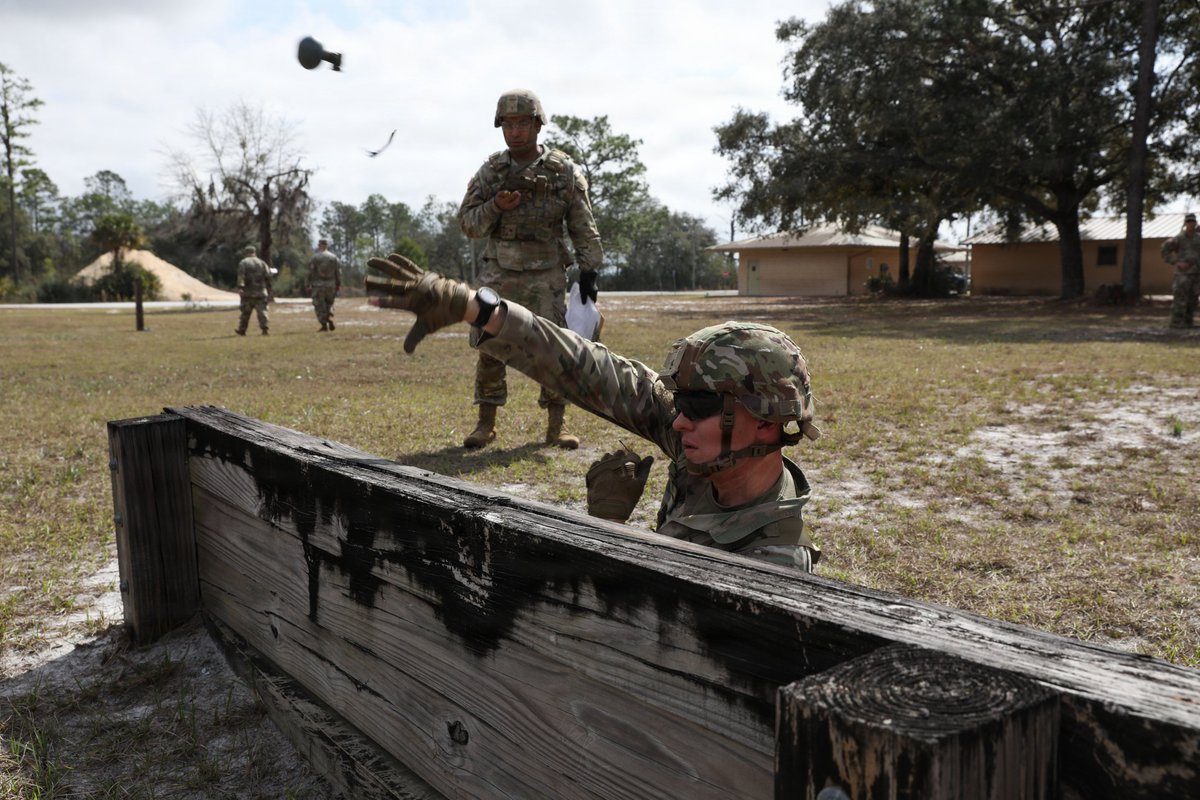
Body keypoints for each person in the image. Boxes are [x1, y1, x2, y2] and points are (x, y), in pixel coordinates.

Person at [365, 254, 822, 572]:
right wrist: (480, 309)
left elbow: (648, 630)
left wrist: (606, 532)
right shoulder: (716, 445)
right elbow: (598, 372)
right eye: (679, 404)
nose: (678, 422)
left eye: (699, 407)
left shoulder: (773, 562)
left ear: (765, 420)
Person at [457, 88, 603, 450]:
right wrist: (496, 206)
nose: (515, 131)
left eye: (522, 123)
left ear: (538, 125)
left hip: (547, 273)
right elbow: (470, 225)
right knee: (489, 344)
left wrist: (589, 271)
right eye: (508, 124)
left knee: (554, 348)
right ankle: (485, 423)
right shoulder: (491, 173)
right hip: (499, 270)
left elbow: (583, 224)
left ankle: (557, 425)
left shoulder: (563, 171)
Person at [1163, 212, 1200, 329]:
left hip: (1196, 273)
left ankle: (1188, 322)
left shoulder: (1198, 239)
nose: (1191, 224)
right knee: (1180, 298)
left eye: (1193, 221)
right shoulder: (1179, 238)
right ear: (1185, 223)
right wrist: (1176, 262)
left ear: (1196, 223)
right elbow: (1165, 250)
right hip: (1182, 275)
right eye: (1188, 221)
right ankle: (1176, 324)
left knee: (1193, 299)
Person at [235, 244, 272, 336]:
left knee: (245, 313)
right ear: (254, 252)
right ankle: (265, 329)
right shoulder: (262, 263)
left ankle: (242, 330)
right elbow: (268, 275)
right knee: (262, 311)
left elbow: (241, 276)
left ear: (246, 253)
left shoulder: (244, 262)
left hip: (248, 293)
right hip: (261, 292)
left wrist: (240, 288)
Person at [307, 238, 342, 332]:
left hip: (318, 286)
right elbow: (338, 273)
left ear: (319, 246)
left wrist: (308, 284)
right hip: (331, 284)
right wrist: (338, 284)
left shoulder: (315, 258)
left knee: (319, 305)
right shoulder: (334, 258)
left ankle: (324, 324)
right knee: (330, 303)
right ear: (327, 245)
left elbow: (311, 272)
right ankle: (329, 316)